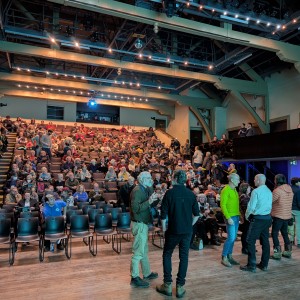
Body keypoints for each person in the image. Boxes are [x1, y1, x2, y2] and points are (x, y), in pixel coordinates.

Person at [156, 170, 200, 298]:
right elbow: (197, 215)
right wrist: (189, 225)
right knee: (184, 257)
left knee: (167, 254)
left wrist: (164, 229)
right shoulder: (191, 194)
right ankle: (180, 287)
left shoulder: (170, 193)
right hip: (187, 231)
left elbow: (163, 215)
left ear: (174, 178)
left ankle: (167, 285)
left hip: (173, 231)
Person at [129, 171, 160, 288]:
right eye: (147, 178)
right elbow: (136, 209)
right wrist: (150, 201)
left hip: (143, 223)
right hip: (139, 223)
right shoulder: (137, 191)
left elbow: (150, 205)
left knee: (144, 250)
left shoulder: (146, 188)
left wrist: (156, 199)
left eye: (150, 178)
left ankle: (146, 273)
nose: (150, 179)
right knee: (138, 252)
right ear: (141, 179)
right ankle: (134, 277)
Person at [240, 174, 272, 273]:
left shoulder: (256, 191)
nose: (254, 181)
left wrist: (246, 215)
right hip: (267, 218)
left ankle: (251, 265)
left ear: (258, 180)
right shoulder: (269, 191)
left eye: (254, 179)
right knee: (265, 241)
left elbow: (251, 206)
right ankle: (264, 264)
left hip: (257, 218)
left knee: (250, 241)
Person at [271, 174, 293, 259]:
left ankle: (277, 253)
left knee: (274, 234)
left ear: (276, 180)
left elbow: (270, 201)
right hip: (287, 215)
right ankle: (288, 251)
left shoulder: (277, 191)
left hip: (278, 216)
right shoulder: (289, 189)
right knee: (284, 233)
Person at [220, 173, 240, 267]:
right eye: (237, 179)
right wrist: (228, 217)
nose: (239, 181)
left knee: (233, 238)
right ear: (232, 180)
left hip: (236, 216)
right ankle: (224, 257)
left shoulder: (234, 189)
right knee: (231, 238)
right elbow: (223, 205)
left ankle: (229, 256)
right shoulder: (226, 190)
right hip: (230, 217)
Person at [239, 182, 251, 255]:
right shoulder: (244, 197)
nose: (250, 188)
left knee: (247, 233)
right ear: (246, 189)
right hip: (246, 217)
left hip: (245, 217)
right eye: (249, 187)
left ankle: (247, 247)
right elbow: (245, 208)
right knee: (246, 233)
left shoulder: (245, 196)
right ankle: (245, 248)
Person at [291, 177, 300, 248]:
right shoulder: (298, 190)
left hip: (289, 209)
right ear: (297, 182)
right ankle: (299, 241)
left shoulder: (288, 188)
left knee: (290, 225)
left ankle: (290, 240)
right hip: (297, 210)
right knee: (298, 226)